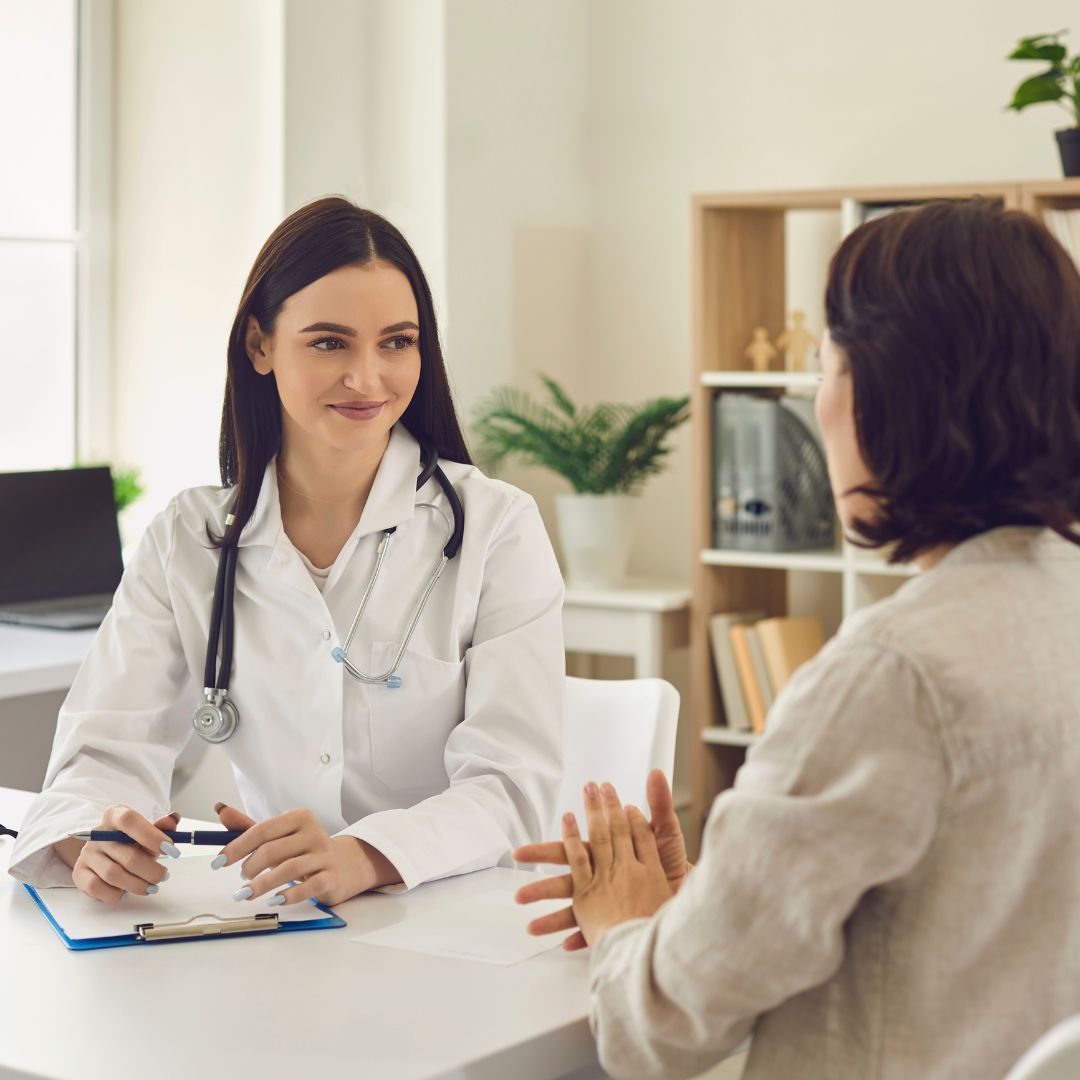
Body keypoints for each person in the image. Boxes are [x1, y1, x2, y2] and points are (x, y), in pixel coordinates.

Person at [517, 198, 1080, 1079]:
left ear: (884, 395)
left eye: (826, 363)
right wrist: (719, 895)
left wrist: (625, 921)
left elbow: (657, 1034)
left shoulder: (891, 673)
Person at [8, 197, 565, 908]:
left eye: (397, 342)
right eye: (330, 342)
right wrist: (93, 837)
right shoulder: (188, 540)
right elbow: (105, 746)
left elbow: (511, 787)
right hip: (280, 922)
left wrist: (362, 856)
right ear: (260, 346)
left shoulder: (497, 528)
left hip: (452, 918)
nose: (369, 377)